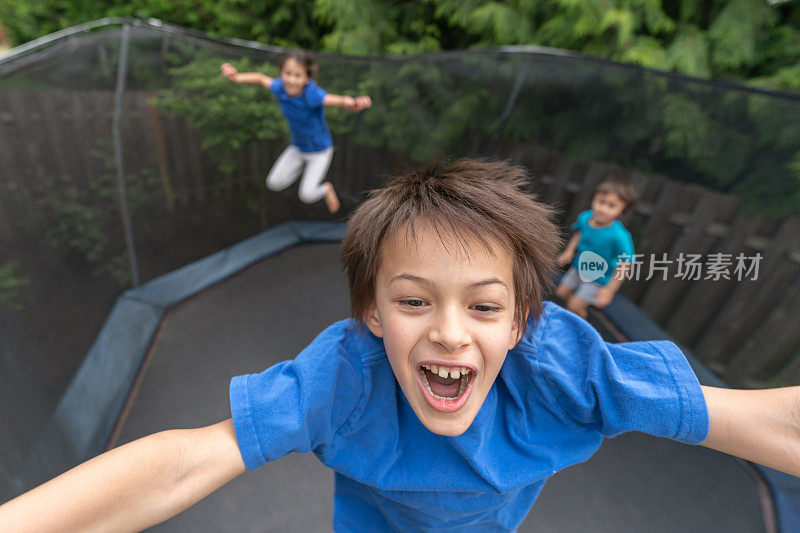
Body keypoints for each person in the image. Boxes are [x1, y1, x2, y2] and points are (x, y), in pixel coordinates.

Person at [2, 159, 800, 532]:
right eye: (414, 300)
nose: (449, 331)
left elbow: (759, 420)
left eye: (484, 307)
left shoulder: (564, 370)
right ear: (373, 314)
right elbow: (193, 457)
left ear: (521, 322)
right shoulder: (343, 376)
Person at [220, 51, 371, 214]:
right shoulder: (280, 88)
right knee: (273, 183)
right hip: (298, 148)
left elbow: (337, 100)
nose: (291, 80)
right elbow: (260, 78)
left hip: (320, 152)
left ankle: (326, 188)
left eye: (297, 75)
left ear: (307, 78)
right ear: (281, 73)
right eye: (288, 73)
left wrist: (353, 103)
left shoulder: (311, 94)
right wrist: (237, 77)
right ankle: (305, 170)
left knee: (306, 195)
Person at [556, 175, 637, 317]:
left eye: (611, 206)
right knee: (561, 293)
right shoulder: (585, 218)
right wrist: (569, 251)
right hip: (578, 268)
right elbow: (579, 233)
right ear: (593, 200)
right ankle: (576, 314)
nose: (603, 209)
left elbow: (626, 263)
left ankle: (579, 319)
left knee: (574, 305)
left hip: (598, 277)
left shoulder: (620, 236)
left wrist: (609, 290)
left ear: (622, 212)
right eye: (601, 202)